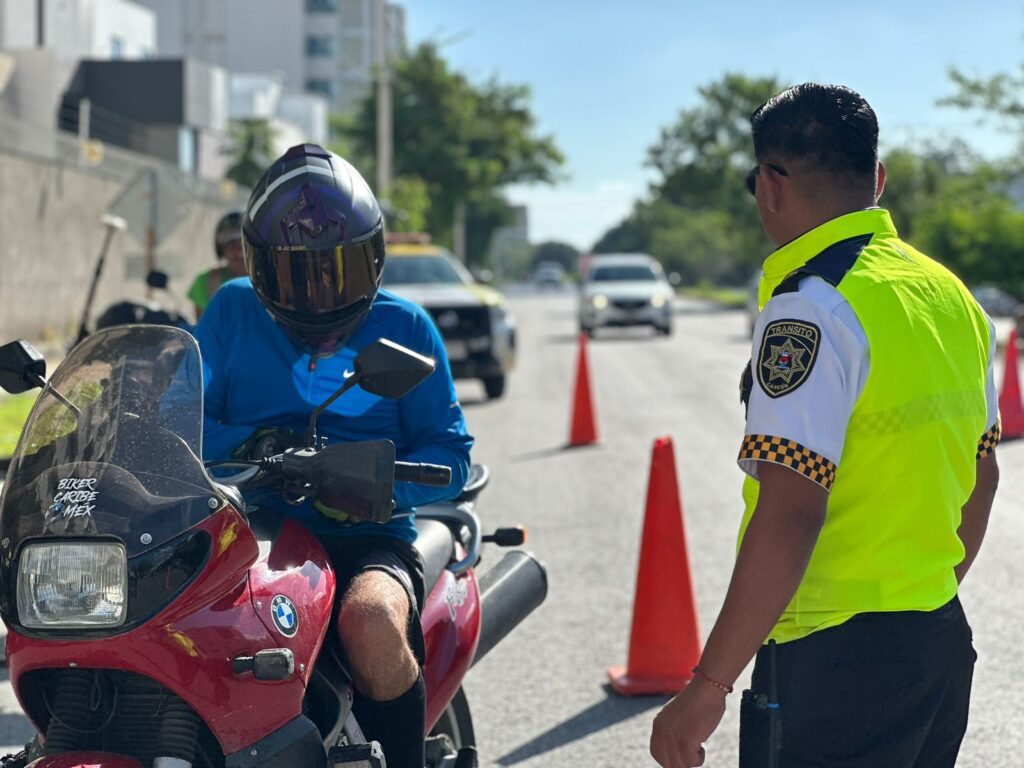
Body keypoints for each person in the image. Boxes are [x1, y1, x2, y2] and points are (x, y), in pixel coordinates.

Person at [650, 84, 1000, 768]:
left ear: (771, 186)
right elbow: (982, 473)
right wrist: (926, 595)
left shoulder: (809, 312)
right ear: (878, 179)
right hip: (938, 639)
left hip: (831, 660)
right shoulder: (949, 296)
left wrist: (709, 685)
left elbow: (791, 511)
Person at [194, 143, 473, 768]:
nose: (319, 295)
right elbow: (178, 411)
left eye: (336, 271)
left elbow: (452, 456)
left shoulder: (407, 327)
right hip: (245, 525)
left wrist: (375, 490)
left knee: (371, 620)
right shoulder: (232, 310)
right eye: (298, 274)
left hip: (365, 535)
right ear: (261, 268)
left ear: (373, 256)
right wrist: (249, 444)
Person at [188, 210, 248, 320]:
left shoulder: (274, 283)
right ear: (222, 250)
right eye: (231, 244)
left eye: (244, 244)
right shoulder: (206, 282)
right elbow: (203, 332)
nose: (239, 252)